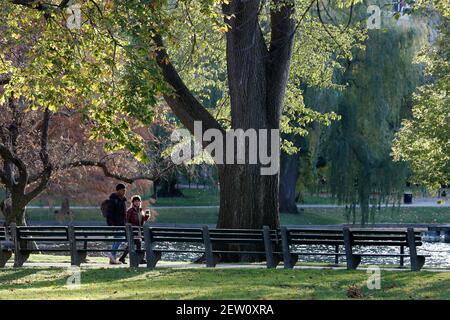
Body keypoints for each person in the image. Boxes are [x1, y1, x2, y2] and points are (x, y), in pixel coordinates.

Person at [117, 195, 151, 264]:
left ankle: (122, 258)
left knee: (133, 244)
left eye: (138, 201)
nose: (137, 202)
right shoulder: (130, 210)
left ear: (140, 202)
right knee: (138, 243)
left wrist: (147, 216)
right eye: (135, 201)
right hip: (132, 230)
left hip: (137, 231)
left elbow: (142, 221)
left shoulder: (140, 210)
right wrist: (133, 227)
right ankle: (140, 259)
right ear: (133, 202)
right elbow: (126, 221)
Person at [107, 183, 127, 265]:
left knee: (117, 239)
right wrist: (111, 224)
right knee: (120, 238)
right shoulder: (113, 200)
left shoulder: (122, 200)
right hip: (116, 224)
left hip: (121, 223)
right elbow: (110, 213)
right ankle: (112, 255)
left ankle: (113, 258)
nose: (124, 192)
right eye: (123, 190)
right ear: (118, 190)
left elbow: (124, 213)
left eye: (125, 190)